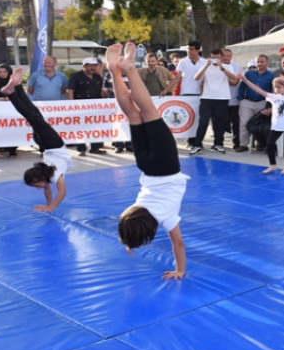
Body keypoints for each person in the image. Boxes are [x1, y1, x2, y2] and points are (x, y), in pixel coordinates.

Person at [100, 43, 189, 280]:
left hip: (167, 167)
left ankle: (128, 68)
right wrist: (129, 240)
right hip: (146, 166)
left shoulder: (164, 215)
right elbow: (129, 224)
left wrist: (180, 270)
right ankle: (114, 71)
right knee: (133, 115)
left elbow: (178, 244)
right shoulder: (132, 211)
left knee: (149, 111)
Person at [0, 67, 73, 213]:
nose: (39, 188)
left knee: (32, 116)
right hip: (45, 144)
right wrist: (49, 204)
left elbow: (61, 192)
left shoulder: (53, 174)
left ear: (40, 177)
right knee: (34, 114)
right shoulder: (49, 175)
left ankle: (12, 93)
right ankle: (18, 85)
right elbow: (51, 190)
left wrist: (50, 206)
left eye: (36, 185)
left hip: (52, 144)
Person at [238, 73, 284, 175]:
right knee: (270, 144)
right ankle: (273, 165)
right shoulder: (273, 97)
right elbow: (259, 90)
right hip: (277, 125)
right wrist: (245, 81)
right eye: (275, 87)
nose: (277, 89)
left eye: (279, 87)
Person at [190, 49, 238, 155]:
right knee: (203, 122)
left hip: (222, 98)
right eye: (213, 57)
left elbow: (234, 79)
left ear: (221, 57)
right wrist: (206, 66)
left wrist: (221, 68)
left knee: (219, 123)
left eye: (217, 57)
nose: (215, 60)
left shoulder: (227, 66)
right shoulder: (204, 66)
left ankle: (218, 144)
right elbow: (196, 78)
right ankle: (197, 145)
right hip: (207, 98)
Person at [68, 57, 108, 156]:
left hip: (96, 107)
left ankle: (95, 148)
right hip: (80, 107)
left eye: (94, 66)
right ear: (84, 66)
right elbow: (70, 91)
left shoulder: (98, 77)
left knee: (96, 127)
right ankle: (81, 149)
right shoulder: (76, 76)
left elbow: (101, 91)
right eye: (90, 65)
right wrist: (71, 105)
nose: (92, 68)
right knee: (80, 128)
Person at [237, 54, 274, 152]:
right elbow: (242, 86)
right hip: (247, 102)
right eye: (258, 61)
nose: (259, 64)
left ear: (267, 62)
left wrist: (269, 105)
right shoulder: (249, 74)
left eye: (262, 61)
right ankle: (244, 144)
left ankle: (260, 143)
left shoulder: (271, 75)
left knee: (259, 124)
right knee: (244, 123)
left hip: (262, 103)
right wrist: (241, 99)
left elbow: (272, 91)